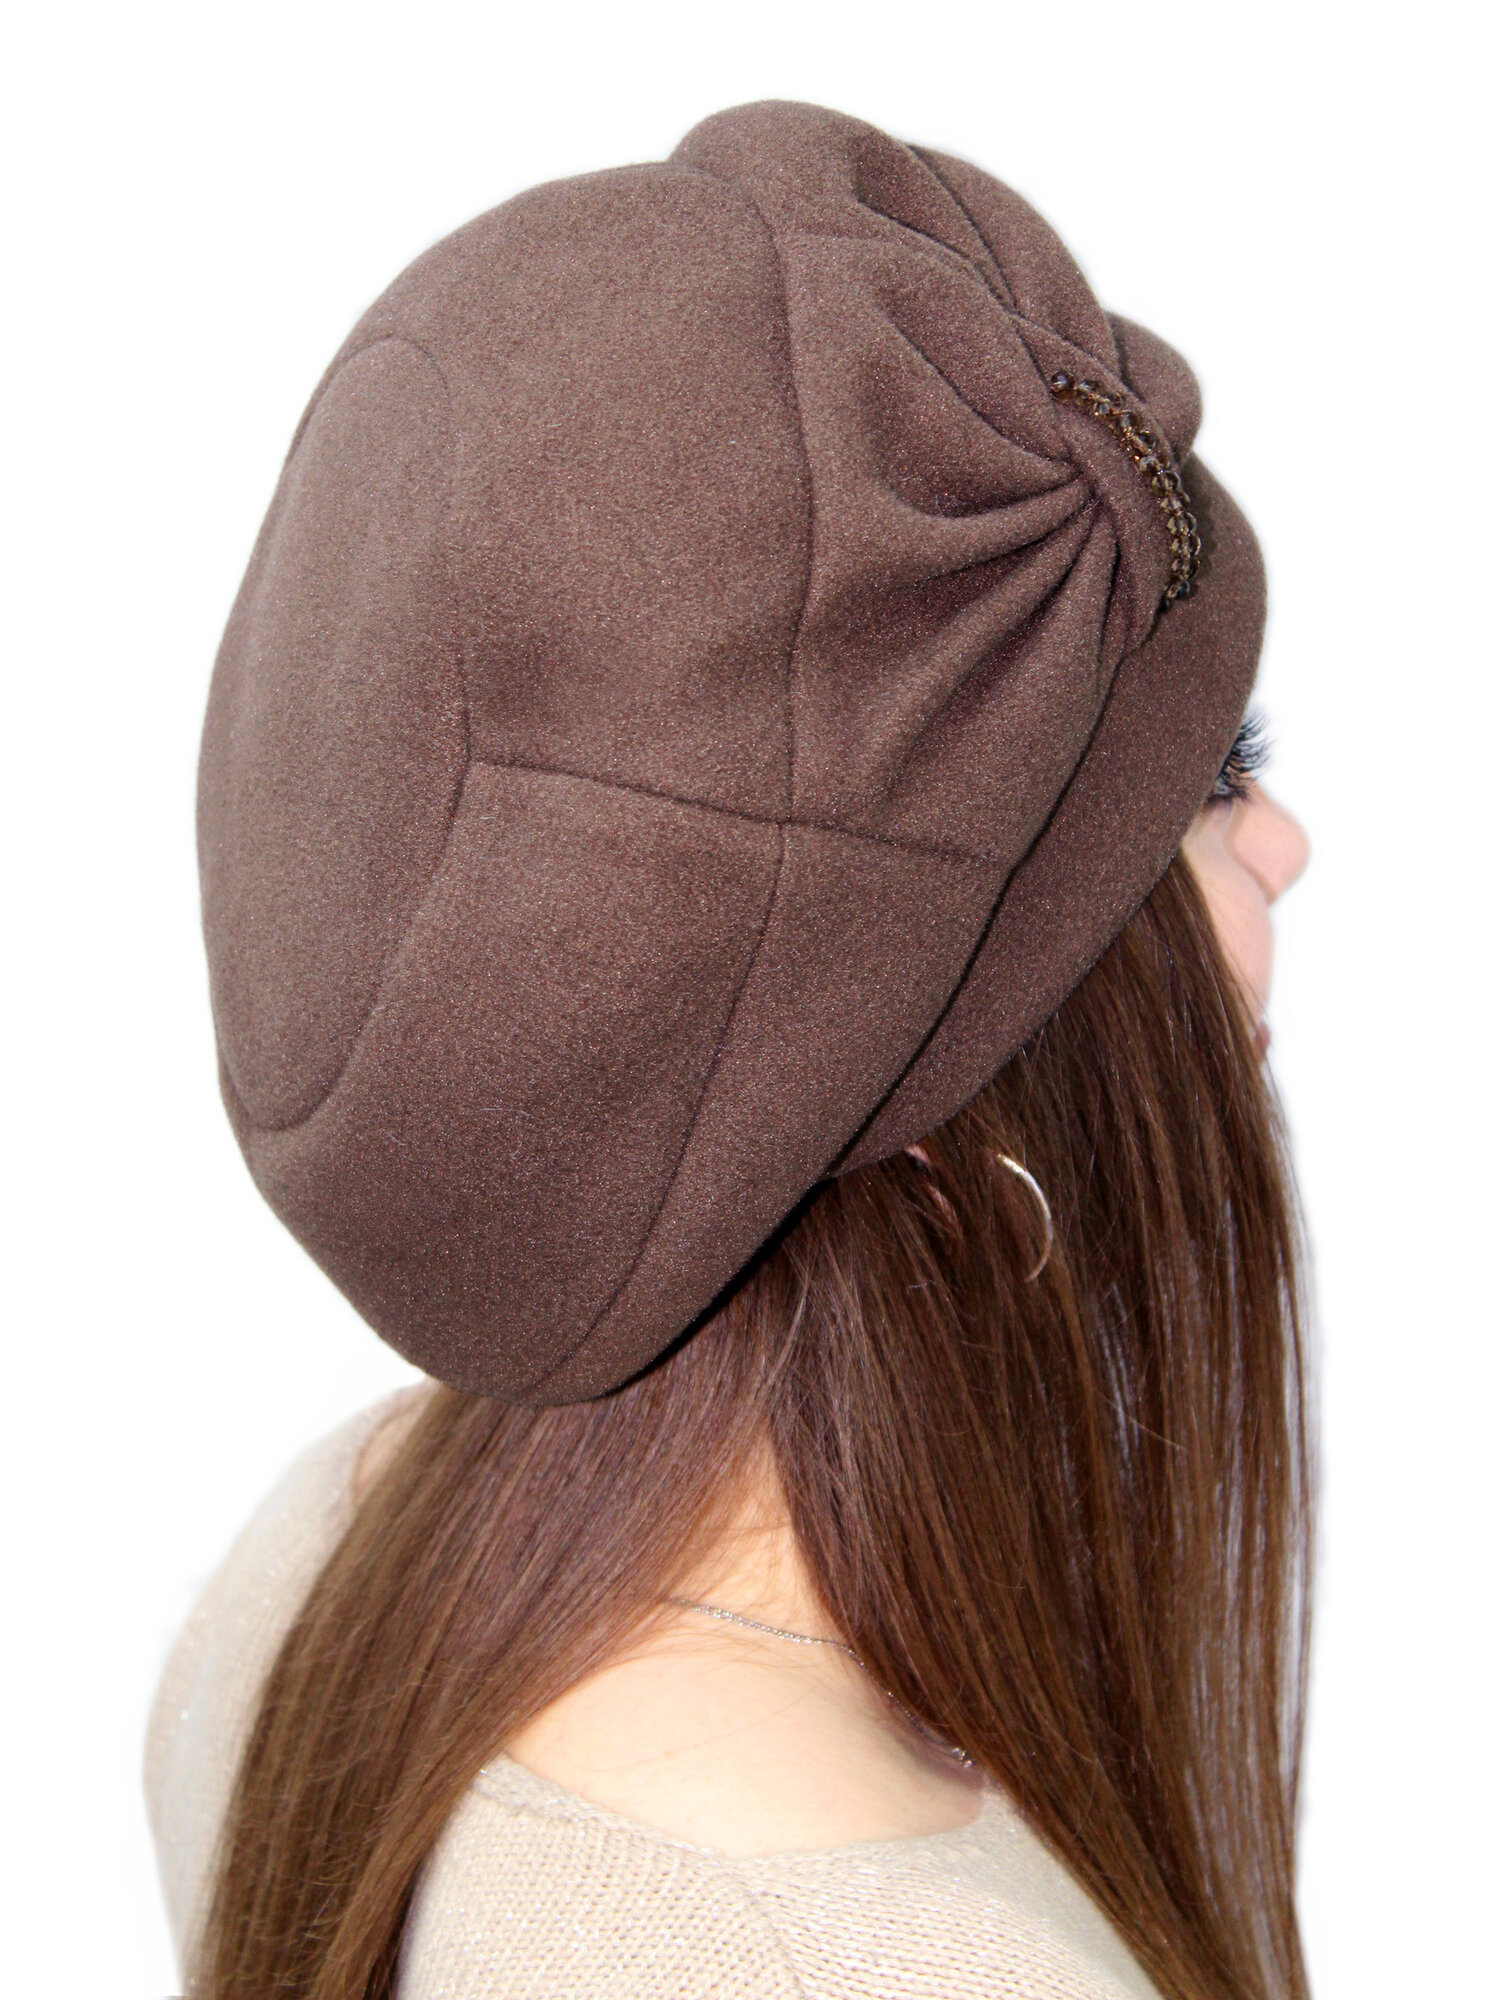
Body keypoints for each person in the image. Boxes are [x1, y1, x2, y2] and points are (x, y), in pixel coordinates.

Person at [147, 101, 1315, 2000]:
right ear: (933, 1102)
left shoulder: (332, 1567)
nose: (1281, 847)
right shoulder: (878, 1964)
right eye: (1210, 785)